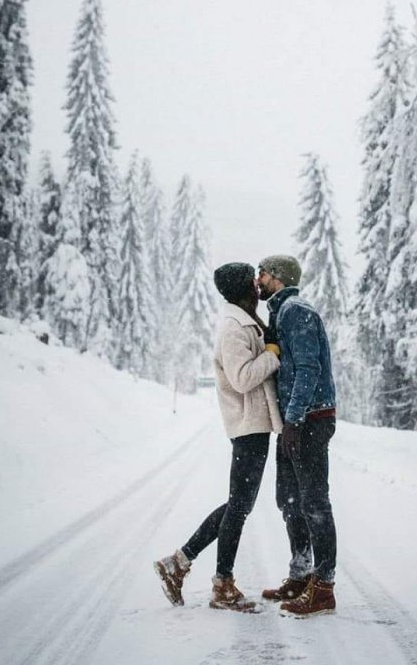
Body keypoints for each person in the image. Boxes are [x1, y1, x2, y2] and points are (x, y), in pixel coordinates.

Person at [153, 262, 283, 613]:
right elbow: (242, 379)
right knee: (239, 505)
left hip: (255, 423)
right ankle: (220, 584)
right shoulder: (233, 327)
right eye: (252, 282)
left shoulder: (246, 320)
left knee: (238, 504)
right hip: (247, 424)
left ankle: (179, 563)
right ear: (242, 289)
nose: (258, 286)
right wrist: (272, 355)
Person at [257, 254, 337, 617]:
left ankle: (323, 587)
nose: (257, 279)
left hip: (310, 419)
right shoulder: (281, 312)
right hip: (296, 420)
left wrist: (293, 420)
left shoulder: (296, 311)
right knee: (288, 499)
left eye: (262, 273)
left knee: (314, 503)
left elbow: (308, 367)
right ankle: (301, 573)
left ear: (277, 277)